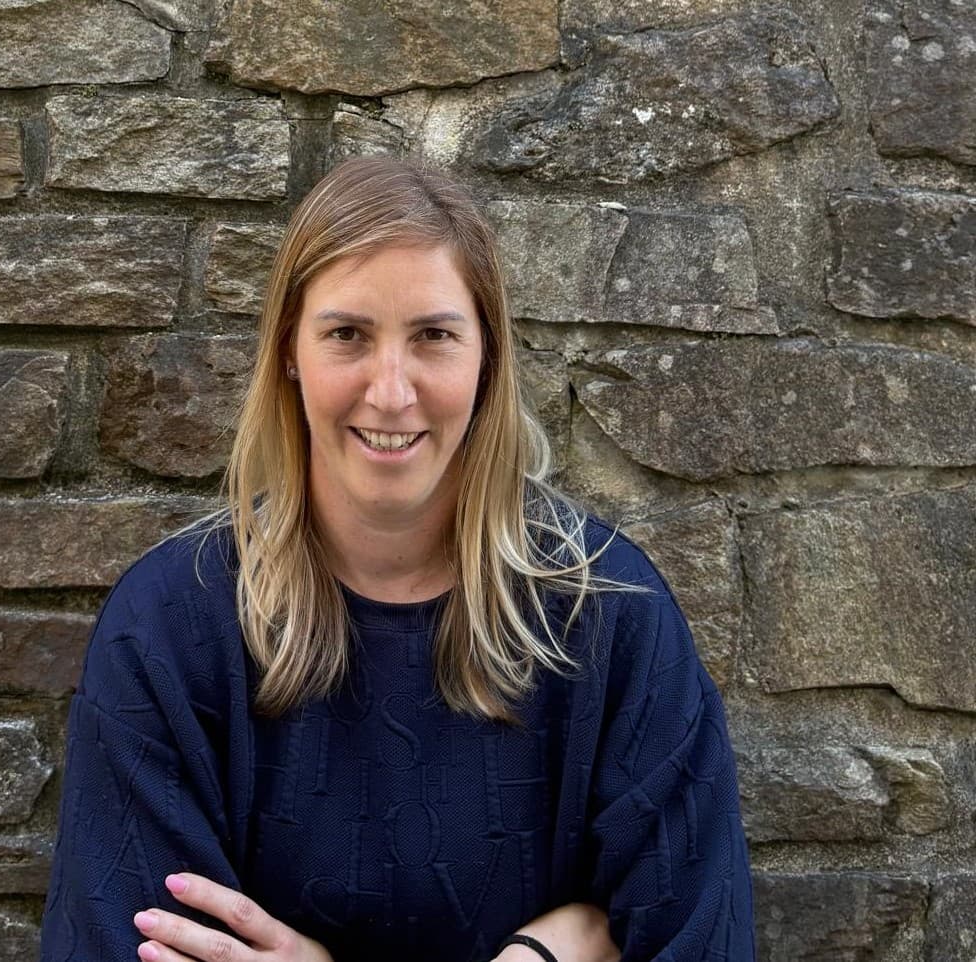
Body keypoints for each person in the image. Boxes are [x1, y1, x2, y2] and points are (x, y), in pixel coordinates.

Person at [39, 156, 755, 962]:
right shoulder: (169, 632)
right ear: (288, 351)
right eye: (347, 334)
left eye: (434, 337)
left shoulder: (613, 617)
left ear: (486, 360)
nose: (390, 391)